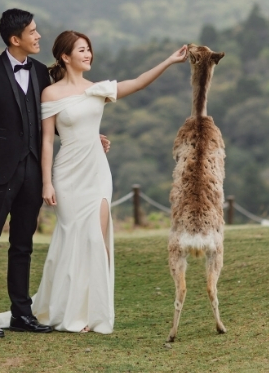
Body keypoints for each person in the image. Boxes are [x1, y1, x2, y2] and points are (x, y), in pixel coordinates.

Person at [0, 9, 109, 338]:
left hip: (33, 172)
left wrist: (88, 137)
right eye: (32, 32)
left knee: (23, 245)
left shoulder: (39, 72)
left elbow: (50, 120)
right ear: (14, 39)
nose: (38, 37)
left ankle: (22, 313)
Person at [29, 30, 190, 333]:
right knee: (71, 236)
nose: (88, 54)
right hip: (67, 173)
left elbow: (138, 82)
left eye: (89, 49)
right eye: (81, 50)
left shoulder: (98, 88)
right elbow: (47, 141)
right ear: (65, 57)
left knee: (97, 236)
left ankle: (94, 311)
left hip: (97, 172)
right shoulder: (50, 94)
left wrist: (169, 61)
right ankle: (67, 308)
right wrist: (46, 183)